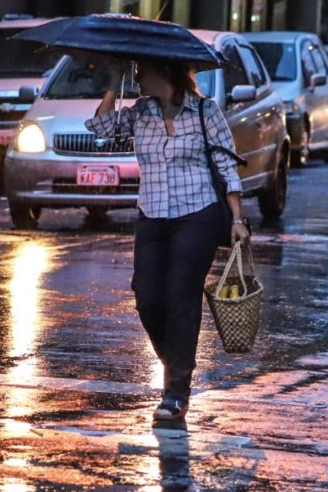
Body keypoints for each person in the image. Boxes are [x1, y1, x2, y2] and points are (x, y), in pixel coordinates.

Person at [85, 60, 251, 421]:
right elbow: (99, 128)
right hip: (152, 215)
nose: (139, 76)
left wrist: (237, 219)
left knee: (181, 297)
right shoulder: (140, 112)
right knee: (147, 297)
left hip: (197, 214)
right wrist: (114, 83)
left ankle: (176, 392)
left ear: (167, 72)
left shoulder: (206, 112)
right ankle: (175, 359)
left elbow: (226, 166)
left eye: (144, 70)